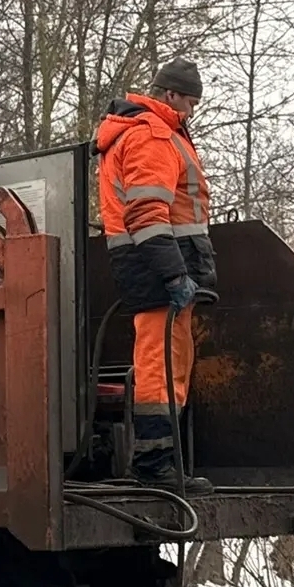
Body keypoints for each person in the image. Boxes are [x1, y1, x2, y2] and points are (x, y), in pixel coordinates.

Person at [93, 58, 217, 495]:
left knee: (169, 365)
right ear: (170, 95)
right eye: (190, 101)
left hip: (158, 269)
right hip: (159, 271)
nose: (192, 111)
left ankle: (162, 464)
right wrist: (176, 275)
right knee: (160, 368)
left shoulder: (149, 133)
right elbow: (147, 214)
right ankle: (154, 465)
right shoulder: (151, 135)